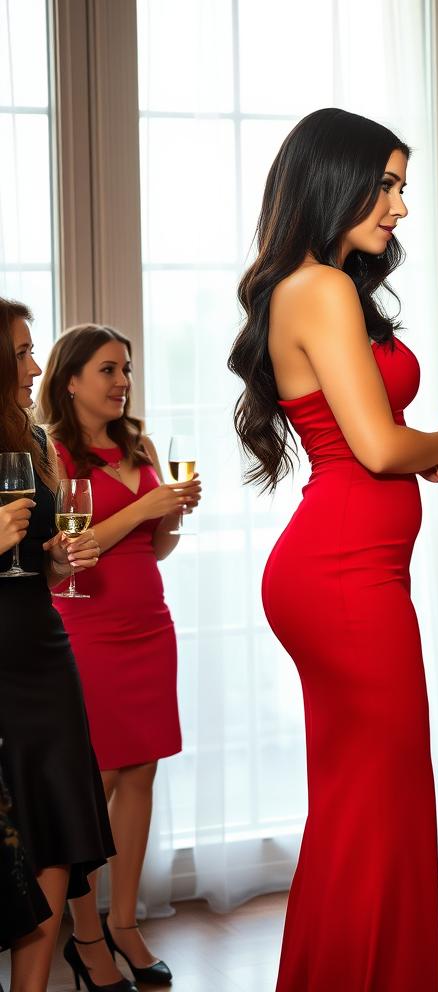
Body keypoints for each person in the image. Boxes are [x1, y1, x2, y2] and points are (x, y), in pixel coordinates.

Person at [227, 107, 438, 992]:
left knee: (369, 800)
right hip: (341, 574)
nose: (400, 207)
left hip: (353, 564)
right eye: (386, 184)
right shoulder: (322, 288)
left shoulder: (323, 286)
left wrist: (426, 447)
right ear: (332, 179)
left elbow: (372, 441)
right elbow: (377, 450)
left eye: (403, 185)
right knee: (379, 801)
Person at [36, 323, 201, 989]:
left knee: (140, 777)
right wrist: (144, 509)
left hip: (148, 626)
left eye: (126, 368)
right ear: (70, 379)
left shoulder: (141, 444)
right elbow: (63, 553)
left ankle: (126, 922)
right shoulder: (51, 453)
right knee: (91, 785)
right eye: (107, 369)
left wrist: (173, 516)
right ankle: (85, 935)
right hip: (87, 631)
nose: (122, 381)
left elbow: (153, 548)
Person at [0, 297, 117, 992]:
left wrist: (56, 559)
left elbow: (40, 561)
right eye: (20, 352)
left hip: (42, 652)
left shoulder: (36, 441)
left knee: (52, 825)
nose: (36, 365)